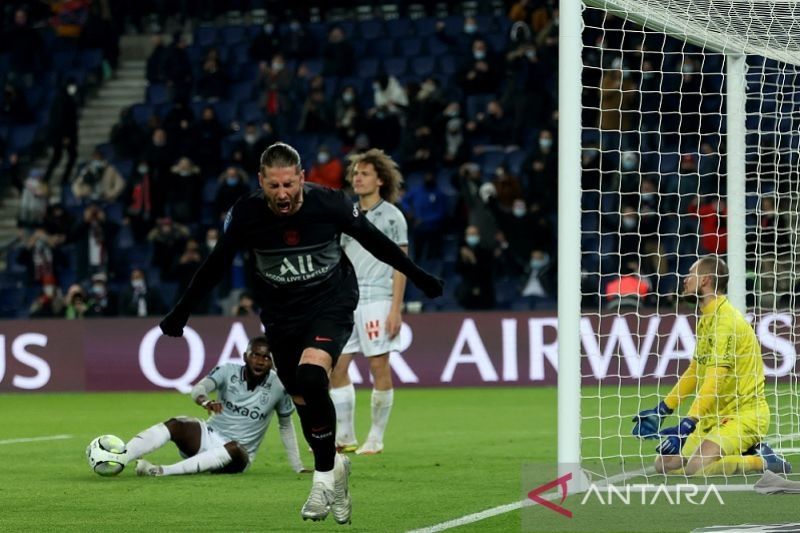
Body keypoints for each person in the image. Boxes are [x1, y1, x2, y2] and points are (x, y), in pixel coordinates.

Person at [159, 142, 443, 523]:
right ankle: (336, 468)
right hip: (282, 314)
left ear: (302, 179)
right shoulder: (245, 215)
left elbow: (376, 241)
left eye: (289, 185)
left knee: (313, 376)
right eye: (274, 186)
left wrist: (419, 277)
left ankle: (322, 480)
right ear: (261, 182)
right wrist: (181, 313)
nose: (282, 194)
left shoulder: (331, 204)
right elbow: (214, 266)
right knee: (301, 398)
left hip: (332, 301)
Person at [632, 256, 791, 476]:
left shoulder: (726, 322)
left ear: (705, 280)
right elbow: (696, 371)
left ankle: (760, 459)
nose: (685, 280)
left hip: (743, 415)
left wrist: (687, 424)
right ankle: (739, 451)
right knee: (664, 464)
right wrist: (663, 410)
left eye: (691, 275)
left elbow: (713, 383)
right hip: (713, 417)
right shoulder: (706, 318)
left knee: (697, 469)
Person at [125, 336, 308, 476]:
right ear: (245, 356)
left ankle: (161, 471)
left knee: (235, 448)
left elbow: (285, 425)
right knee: (177, 423)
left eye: (266, 357)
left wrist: (298, 466)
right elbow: (199, 388)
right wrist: (205, 401)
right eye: (255, 355)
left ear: (272, 362)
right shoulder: (227, 370)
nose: (260, 361)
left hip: (238, 455)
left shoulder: (280, 386)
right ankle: (120, 457)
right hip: (209, 436)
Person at [329, 149, 407, 456]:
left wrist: (395, 308)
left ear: (380, 179)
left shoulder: (392, 217)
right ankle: (345, 435)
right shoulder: (347, 215)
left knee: (378, 366)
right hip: (347, 299)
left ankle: (375, 437)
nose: (357, 178)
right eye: (355, 174)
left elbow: (401, 264)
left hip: (377, 298)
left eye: (364, 173)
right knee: (337, 366)